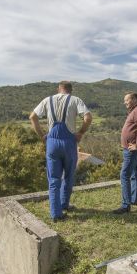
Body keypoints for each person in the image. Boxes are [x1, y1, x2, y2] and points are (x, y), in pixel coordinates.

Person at [30, 81, 92, 222]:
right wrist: (81, 132)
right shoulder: (76, 100)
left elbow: (32, 117)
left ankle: (56, 214)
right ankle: (65, 204)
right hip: (69, 142)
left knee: (53, 179)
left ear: (59, 89)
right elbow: (88, 118)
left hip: (52, 143)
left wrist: (42, 136)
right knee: (69, 175)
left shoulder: (47, 100)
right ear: (71, 90)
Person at [113, 92, 137, 214]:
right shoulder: (135, 110)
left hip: (132, 149)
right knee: (134, 173)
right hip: (130, 148)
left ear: (133, 99)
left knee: (124, 175)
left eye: (126, 100)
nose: (125, 102)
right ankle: (134, 199)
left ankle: (125, 205)